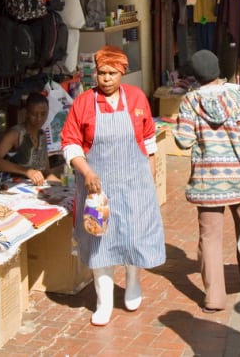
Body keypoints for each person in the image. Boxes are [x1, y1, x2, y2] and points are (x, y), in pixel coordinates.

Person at [61, 45, 166, 326]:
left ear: (122, 73)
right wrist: (85, 171)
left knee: (133, 236)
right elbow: (70, 143)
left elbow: (148, 141)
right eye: (101, 73)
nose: (105, 78)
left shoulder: (136, 98)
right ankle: (104, 301)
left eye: (112, 73)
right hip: (96, 190)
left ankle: (133, 282)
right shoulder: (83, 103)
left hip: (134, 185)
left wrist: (150, 178)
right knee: (99, 241)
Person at [174, 50, 240, 313]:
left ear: (195, 75)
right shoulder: (238, 98)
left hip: (207, 181)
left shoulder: (189, 101)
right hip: (239, 177)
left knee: (210, 239)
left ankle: (214, 298)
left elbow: (183, 140)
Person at [0, 92, 57, 185]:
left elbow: (46, 173)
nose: (39, 118)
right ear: (27, 113)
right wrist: (26, 171)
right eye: (34, 114)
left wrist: (65, 186)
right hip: (13, 189)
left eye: (43, 114)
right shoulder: (15, 134)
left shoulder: (42, 135)